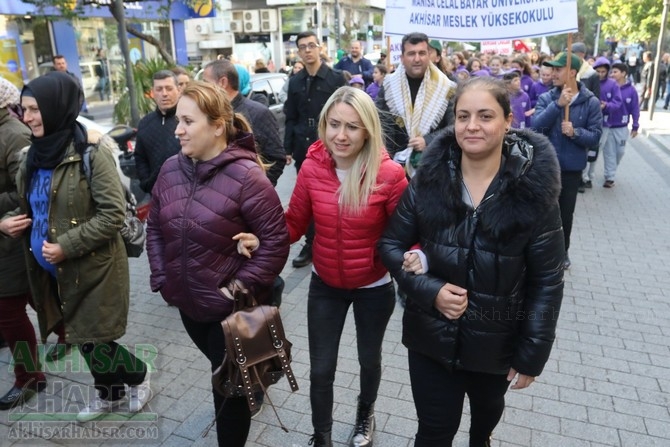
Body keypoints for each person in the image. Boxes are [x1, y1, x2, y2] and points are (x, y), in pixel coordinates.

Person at [378, 76, 565, 447]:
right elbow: (390, 245)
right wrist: (429, 291)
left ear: (508, 120)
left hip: (497, 343)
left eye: (485, 115)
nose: (472, 126)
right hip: (430, 339)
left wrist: (533, 353)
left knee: (484, 420)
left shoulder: (535, 191)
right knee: (433, 432)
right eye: (463, 116)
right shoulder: (428, 179)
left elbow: (547, 280)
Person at [238, 86, 408, 447]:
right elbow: (294, 224)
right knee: (321, 370)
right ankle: (322, 436)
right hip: (325, 285)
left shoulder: (390, 175)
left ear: (367, 131)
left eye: (352, 127)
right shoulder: (313, 167)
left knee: (369, 360)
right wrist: (259, 237)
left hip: (374, 287)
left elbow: (407, 234)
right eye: (334, 124)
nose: (341, 135)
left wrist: (416, 261)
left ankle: (365, 414)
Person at [146, 81, 289, 447]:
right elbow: (156, 228)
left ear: (217, 126)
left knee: (227, 390)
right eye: (178, 120)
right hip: (188, 306)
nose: (178, 129)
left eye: (188, 121)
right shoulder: (170, 168)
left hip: (229, 311)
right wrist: (163, 277)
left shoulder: (247, 177)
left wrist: (234, 289)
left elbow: (275, 243)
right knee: (222, 374)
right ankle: (247, 385)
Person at [15, 71, 150, 421]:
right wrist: (9, 223)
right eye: (23, 110)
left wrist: (65, 246)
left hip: (95, 267)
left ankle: (138, 377)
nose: (26, 117)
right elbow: (32, 206)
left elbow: (111, 215)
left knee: (93, 338)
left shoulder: (91, 153)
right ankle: (110, 393)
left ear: (55, 107)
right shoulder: (31, 156)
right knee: (81, 336)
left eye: (33, 109)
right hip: (52, 272)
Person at [0, 77, 47, 410]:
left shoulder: (14, 134)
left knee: (10, 312)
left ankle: (29, 377)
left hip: (13, 240)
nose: (30, 116)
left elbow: (24, 191)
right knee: (34, 301)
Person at [531, 52, 602, 269]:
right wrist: (558, 105)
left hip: (571, 170)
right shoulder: (547, 98)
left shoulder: (590, 102)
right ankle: (538, 253)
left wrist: (576, 133)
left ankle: (562, 253)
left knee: (565, 215)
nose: (553, 74)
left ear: (572, 72)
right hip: (546, 168)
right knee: (541, 213)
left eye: (558, 69)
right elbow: (536, 127)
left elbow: (596, 136)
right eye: (552, 69)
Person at [283, 31, 346, 268]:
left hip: (332, 147)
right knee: (308, 198)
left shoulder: (335, 78)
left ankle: (332, 242)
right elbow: (290, 116)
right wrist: (287, 148)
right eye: (302, 47)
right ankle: (311, 244)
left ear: (319, 48)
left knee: (332, 197)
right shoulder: (295, 82)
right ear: (298, 52)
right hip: (303, 147)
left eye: (311, 45)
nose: (307, 50)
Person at [375, 32, 457, 176]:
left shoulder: (447, 87)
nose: (417, 59)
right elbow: (382, 127)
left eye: (422, 53)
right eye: (411, 53)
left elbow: (455, 126)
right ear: (402, 58)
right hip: (396, 168)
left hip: (435, 167)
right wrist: (387, 165)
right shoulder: (389, 86)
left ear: (429, 55)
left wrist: (428, 141)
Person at [202, 59, 286, 186]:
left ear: (223, 82)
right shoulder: (208, 113)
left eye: (206, 83)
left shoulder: (258, 113)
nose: (203, 89)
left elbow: (276, 158)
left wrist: (256, 189)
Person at [133, 70, 181, 194]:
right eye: (159, 89)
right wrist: (146, 182)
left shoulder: (188, 119)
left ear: (178, 90)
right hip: (156, 197)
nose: (164, 94)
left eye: (169, 88)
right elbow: (140, 157)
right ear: (152, 93)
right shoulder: (145, 123)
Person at [590, 57, 624, 188]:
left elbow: (617, 103)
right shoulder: (591, 81)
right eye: (597, 71)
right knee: (591, 150)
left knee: (601, 150)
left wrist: (606, 106)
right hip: (590, 122)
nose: (600, 74)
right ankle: (587, 177)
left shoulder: (613, 84)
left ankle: (609, 176)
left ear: (607, 71)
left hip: (606, 123)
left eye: (603, 71)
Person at [607, 63, 640, 184]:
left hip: (622, 127)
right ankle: (609, 177)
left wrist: (635, 125)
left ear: (624, 73)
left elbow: (635, 109)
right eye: (612, 72)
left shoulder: (631, 91)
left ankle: (611, 171)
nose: (612, 74)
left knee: (620, 152)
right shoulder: (609, 87)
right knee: (609, 153)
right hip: (609, 126)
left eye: (615, 72)